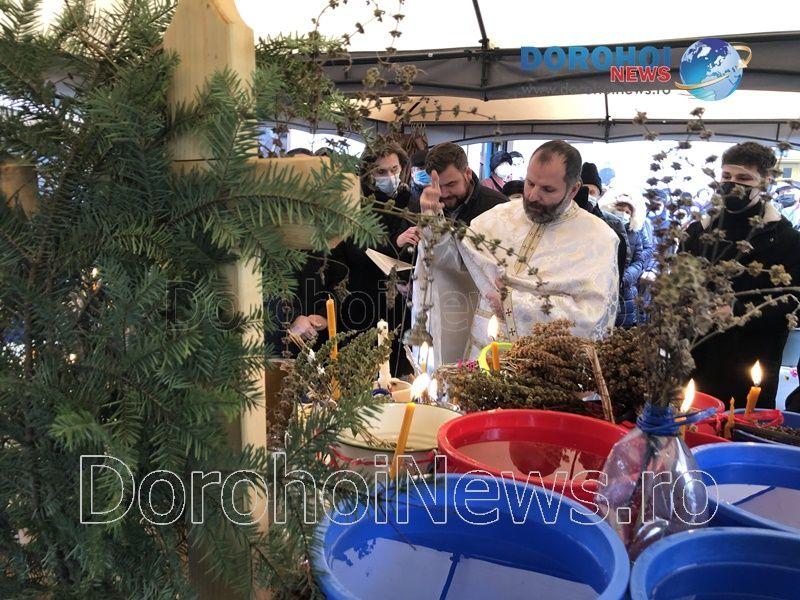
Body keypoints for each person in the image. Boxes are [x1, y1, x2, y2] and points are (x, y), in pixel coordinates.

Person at [414, 140, 619, 365]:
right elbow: (454, 266)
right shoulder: (498, 216)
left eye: (547, 189)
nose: (532, 196)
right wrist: (432, 223)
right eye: (530, 183)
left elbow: (591, 317)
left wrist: (514, 306)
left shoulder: (598, 239)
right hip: (478, 360)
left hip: (540, 369)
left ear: (573, 189)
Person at [684, 141, 800, 409]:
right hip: (696, 355)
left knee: (738, 426)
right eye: (726, 176)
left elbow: (793, 302)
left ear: (765, 182)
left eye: (744, 178)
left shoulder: (787, 240)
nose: (732, 184)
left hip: (750, 362)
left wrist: (737, 311)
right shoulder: (698, 232)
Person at [332, 140, 419, 374]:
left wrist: (410, 280)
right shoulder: (356, 204)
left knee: (399, 372)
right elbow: (356, 249)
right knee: (365, 370)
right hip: (365, 301)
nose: (390, 177)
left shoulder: (410, 201)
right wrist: (396, 242)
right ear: (368, 173)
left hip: (400, 306)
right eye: (381, 172)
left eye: (394, 169)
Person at [575, 162, 628, 281]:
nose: (587, 195)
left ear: (599, 195)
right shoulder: (563, 218)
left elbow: (622, 260)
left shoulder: (613, 223)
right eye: (583, 190)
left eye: (592, 192)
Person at [601, 193, 646, 328]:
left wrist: (624, 278)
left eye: (628, 212)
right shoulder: (601, 227)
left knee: (621, 331)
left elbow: (639, 261)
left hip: (625, 293)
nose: (623, 214)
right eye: (620, 209)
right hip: (602, 287)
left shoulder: (634, 234)